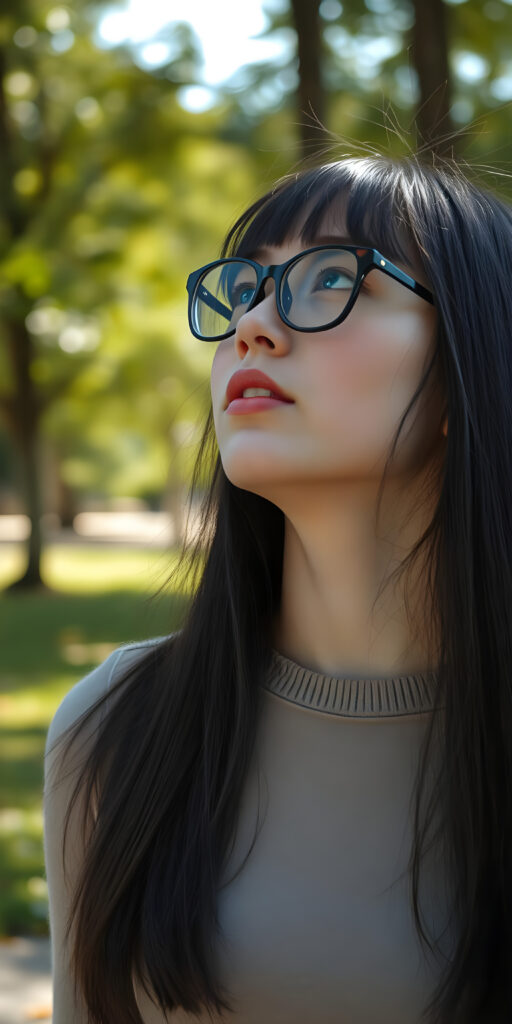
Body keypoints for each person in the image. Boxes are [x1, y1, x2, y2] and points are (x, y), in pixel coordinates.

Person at [43, 154, 512, 1024]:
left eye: (331, 278)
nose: (253, 325)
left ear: (469, 365)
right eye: (246, 287)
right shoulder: (115, 730)